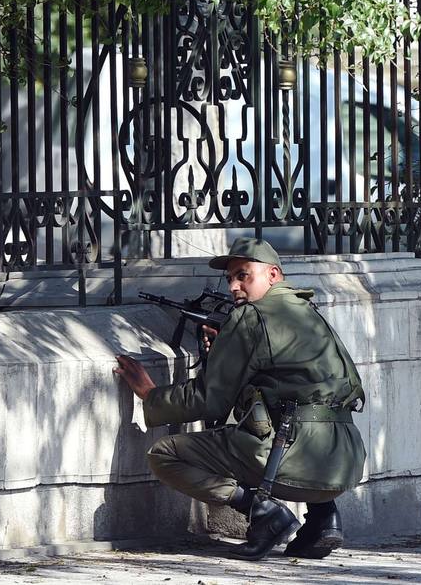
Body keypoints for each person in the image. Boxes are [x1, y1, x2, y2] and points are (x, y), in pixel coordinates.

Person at [114, 237, 366, 561]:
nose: (234, 286)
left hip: (292, 462)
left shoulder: (250, 317)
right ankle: (324, 518)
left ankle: (262, 512)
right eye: (230, 278)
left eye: (243, 275)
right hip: (342, 465)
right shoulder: (309, 312)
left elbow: (209, 400)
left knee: (164, 454)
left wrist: (150, 395)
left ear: (273, 275)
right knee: (296, 417)